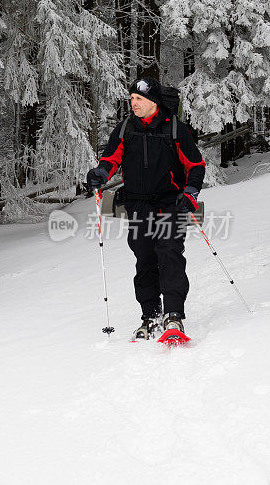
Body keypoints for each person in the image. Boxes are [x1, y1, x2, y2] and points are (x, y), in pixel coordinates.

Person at [86, 77, 206, 340]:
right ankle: (150, 316)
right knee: (144, 258)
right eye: (131, 99)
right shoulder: (126, 127)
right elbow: (111, 157)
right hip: (138, 204)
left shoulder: (175, 128)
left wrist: (191, 192)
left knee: (170, 253)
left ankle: (173, 316)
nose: (133, 104)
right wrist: (101, 173)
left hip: (170, 202)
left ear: (153, 102)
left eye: (139, 99)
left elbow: (196, 165)